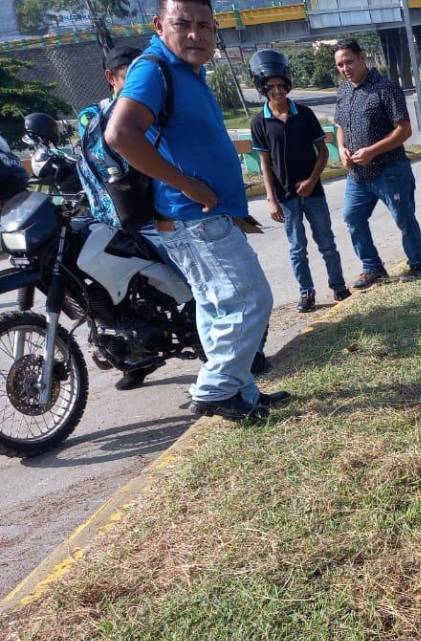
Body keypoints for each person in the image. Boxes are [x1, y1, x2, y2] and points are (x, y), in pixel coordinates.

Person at [105, 0, 287, 422]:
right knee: (251, 301)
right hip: (194, 216)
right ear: (158, 25)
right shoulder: (154, 69)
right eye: (182, 24)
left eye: (205, 26)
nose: (195, 34)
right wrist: (187, 184)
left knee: (217, 308)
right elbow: (120, 133)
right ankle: (214, 390)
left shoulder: (186, 71)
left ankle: (241, 392)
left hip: (198, 217)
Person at [77, 44, 174, 391]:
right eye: (127, 75)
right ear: (110, 78)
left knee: (194, 280)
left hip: (151, 212)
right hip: (108, 217)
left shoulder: (147, 111)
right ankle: (134, 358)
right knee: (111, 294)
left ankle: (239, 347)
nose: (136, 82)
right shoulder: (93, 117)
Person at [248, 49, 349, 314]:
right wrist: (271, 200)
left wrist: (311, 180)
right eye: (271, 87)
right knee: (297, 249)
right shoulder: (259, 122)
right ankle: (306, 292)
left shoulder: (304, 114)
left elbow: (324, 152)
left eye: (282, 86)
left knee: (326, 243)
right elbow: (264, 164)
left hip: (313, 193)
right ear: (263, 89)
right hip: (285, 197)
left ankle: (338, 286)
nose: (278, 92)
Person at [333, 38, 421, 288]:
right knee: (352, 217)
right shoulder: (343, 91)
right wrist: (342, 149)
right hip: (357, 174)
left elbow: (404, 130)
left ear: (363, 57)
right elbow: (340, 126)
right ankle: (372, 268)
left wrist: (372, 151)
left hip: (390, 170)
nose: (345, 68)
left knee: (404, 219)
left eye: (349, 61)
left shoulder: (386, 88)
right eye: (340, 64)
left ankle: (418, 265)